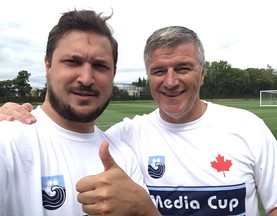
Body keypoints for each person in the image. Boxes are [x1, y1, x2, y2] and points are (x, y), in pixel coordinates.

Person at [1, 26, 277, 215]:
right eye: (159, 70)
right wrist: (11, 114)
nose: (171, 81)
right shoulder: (122, 140)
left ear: (202, 72)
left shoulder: (247, 127)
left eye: (183, 68)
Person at [0, 9, 160, 216]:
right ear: (47, 64)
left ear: (114, 73)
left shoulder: (122, 155)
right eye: (73, 62)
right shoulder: (8, 141)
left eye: (100, 65)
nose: (86, 78)